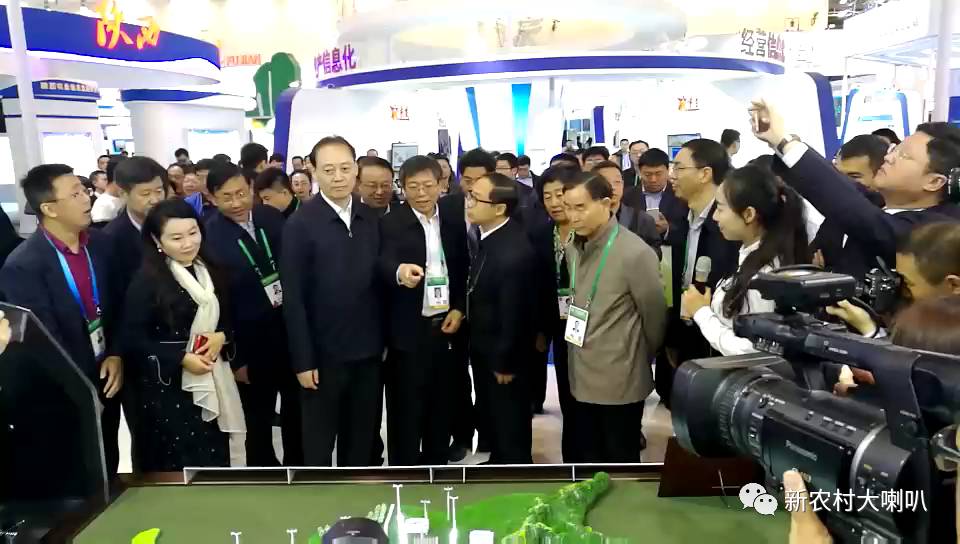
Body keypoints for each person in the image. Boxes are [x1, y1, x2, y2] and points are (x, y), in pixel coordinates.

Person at [0, 164, 123, 476]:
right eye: (76, 194)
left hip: (106, 375)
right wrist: (83, 391)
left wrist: (116, 353)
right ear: (49, 209)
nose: (87, 198)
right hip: (63, 391)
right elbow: (45, 342)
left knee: (109, 461)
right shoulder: (24, 265)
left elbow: (118, 306)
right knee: (79, 472)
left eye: (85, 190)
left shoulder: (102, 245)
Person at [750, 99, 960, 282]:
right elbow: (840, 188)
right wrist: (779, 142)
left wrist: (785, 141)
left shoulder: (941, 232)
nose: (888, 157)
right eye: (894, 149)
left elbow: (863, 216)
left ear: (934, 182)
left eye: (904, 156)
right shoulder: (875, 202)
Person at [281, 136, 384, 467]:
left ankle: (359, 496)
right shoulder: (300, 224)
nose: (338, 177)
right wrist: (303, 360)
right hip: (322, 357)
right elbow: (293, 298)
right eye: (328, 170)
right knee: (319, 444)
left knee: (362, 439)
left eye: (344, 168)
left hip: (368, 352)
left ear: (356, 169)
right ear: (313, 171)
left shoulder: (370, 217)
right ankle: (321, 497)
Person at [123, 199, 245, 471]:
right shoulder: (148, 280)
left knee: (216, 455)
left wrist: (222, 337)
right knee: (180, 461)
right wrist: (180, 358)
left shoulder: (212, 269)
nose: (188, 243)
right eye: (176, 238)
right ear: (157, 240)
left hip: (213, 375)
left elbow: (230, 319)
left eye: (193, 233)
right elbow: (133, 339)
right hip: (168, 390)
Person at [562, 171, 666, 462]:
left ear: (606, 204)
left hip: (620, 376)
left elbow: (654, 318)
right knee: (587, 455)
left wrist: (637, 355)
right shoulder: (573, 247)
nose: (573, 216)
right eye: (568, 207)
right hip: (580, 369)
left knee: (619, 459)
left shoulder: (635, 253)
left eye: (580, 207)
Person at [205, 162, 301, 466]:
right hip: (249, 342)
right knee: (257, 415)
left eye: (241, 193)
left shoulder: (271, 217)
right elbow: (217, 303)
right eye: (226, 197)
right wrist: (236, 357)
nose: (236, 203)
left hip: (288, 333)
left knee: (297, 408)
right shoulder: (209, 236)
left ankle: (299, 466)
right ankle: (264, 470)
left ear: (252, 189)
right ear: (212, 198)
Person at [379, 155, 468, 465]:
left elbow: (463, 268)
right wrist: (399, 272)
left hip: (446, 326)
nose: (421, 193)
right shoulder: (390, 223)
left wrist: (459, 308)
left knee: (441, 403)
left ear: (441, 185)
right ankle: (404, 470)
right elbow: (381, 263)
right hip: (407, 330)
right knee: (405, 407)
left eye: (428, 185)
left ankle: (436, 465)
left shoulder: (453, 220)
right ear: (402, 188)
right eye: (413, 186)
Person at [680, 165, 809, 355]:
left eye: (720, 209)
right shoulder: (753, 256)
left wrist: (702, 313)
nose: (714, 217)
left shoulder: (767, 277)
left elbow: (752, 352)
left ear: (749, 214)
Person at [658, 139, 740, 406]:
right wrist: (672, 334)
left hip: (721, 342)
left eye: (679, 168)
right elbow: (672, 280)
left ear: (705, 174)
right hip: (685, 334)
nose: (672, 176)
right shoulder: (678, 217)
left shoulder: (730, 227)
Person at [465, 172, 537, 464]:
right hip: (486, 346)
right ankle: (499, 461)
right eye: (469, 195)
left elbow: (515, 313)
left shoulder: (513, 251)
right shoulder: (491, 237)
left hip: (503, 354)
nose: (469, 203)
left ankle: (513, 470)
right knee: (494, 414)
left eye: (476, 199)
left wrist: (506, 361)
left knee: (509, 418)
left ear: (499, 208)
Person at [529, 165, 581, 461]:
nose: (554, 202)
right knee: (566, 388)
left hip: (589, 323)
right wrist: (540, 330)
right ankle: (572, 455)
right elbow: (535, 285)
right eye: (547, 196)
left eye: (560, 194)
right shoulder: (539, 234)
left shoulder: (587, 231)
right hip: (556, 323)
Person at [812, 136, 888, 270]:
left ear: (881, 174)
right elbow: (812, 256)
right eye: (838, 176)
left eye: (854, 177)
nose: (843, 184)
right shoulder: (835, 216)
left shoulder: (890, 224)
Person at [593, 160, 662, 258]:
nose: (612, 187)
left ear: (623, 184)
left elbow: (656, 253)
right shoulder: (586, 219)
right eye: (606, 182)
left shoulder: (642, 219)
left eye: (617, 182)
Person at [621, 148, 687, 238]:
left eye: (658, 174)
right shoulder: (627, 196)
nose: (653, 180)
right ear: (640, 172)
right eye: (648, 174)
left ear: (668, 170)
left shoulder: (681, 195)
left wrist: (667, 229)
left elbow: (687, 228)